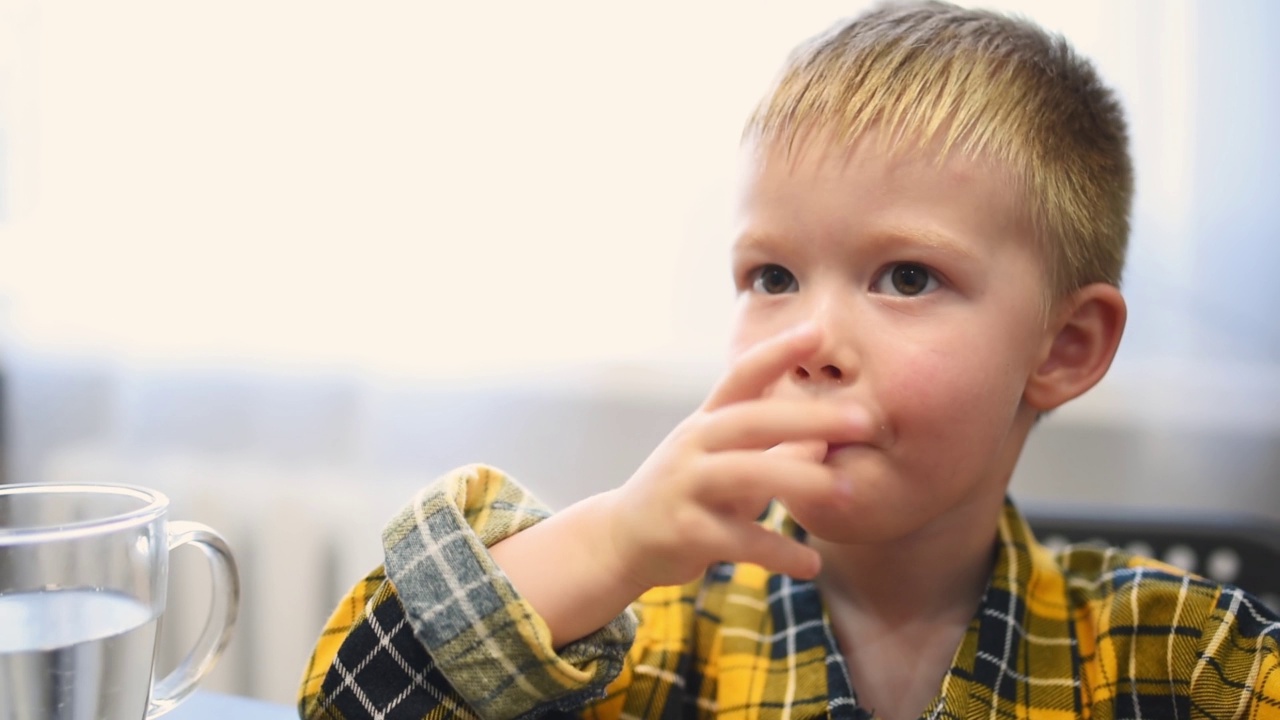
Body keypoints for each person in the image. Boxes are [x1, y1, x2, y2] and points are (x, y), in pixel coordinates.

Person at [298, 2, 1280, 719]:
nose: (808, 341)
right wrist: (607, 545)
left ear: (1062, 348)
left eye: (903, 277)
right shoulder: (642, 651)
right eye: (771, 278)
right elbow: (345, 704)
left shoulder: (1188, 661)